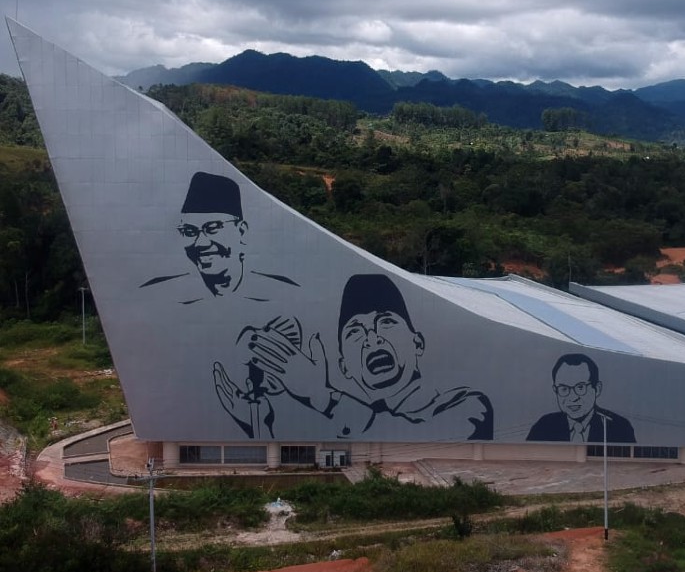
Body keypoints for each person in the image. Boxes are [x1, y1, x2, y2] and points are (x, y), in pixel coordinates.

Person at [229, 273, 494, 440]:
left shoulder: (466, 405)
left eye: (386, 322)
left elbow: (411, 435)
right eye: (355, 331)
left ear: (418, 343)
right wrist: (256, 421)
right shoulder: (346, 422)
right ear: (344, 365)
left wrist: (321, 396)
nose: (372, 338)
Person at [140, 171, 298, 304]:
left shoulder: (284, 294)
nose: (201, 243)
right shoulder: (156, 294)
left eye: (213, 228)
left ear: (241, 231)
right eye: (190, 231)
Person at [526, 353, 635, 443]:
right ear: (555, 390)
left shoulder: (618, 427)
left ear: (597, 389)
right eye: (564, 389)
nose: (572, 397)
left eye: (580, 387)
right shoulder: (544, 426)